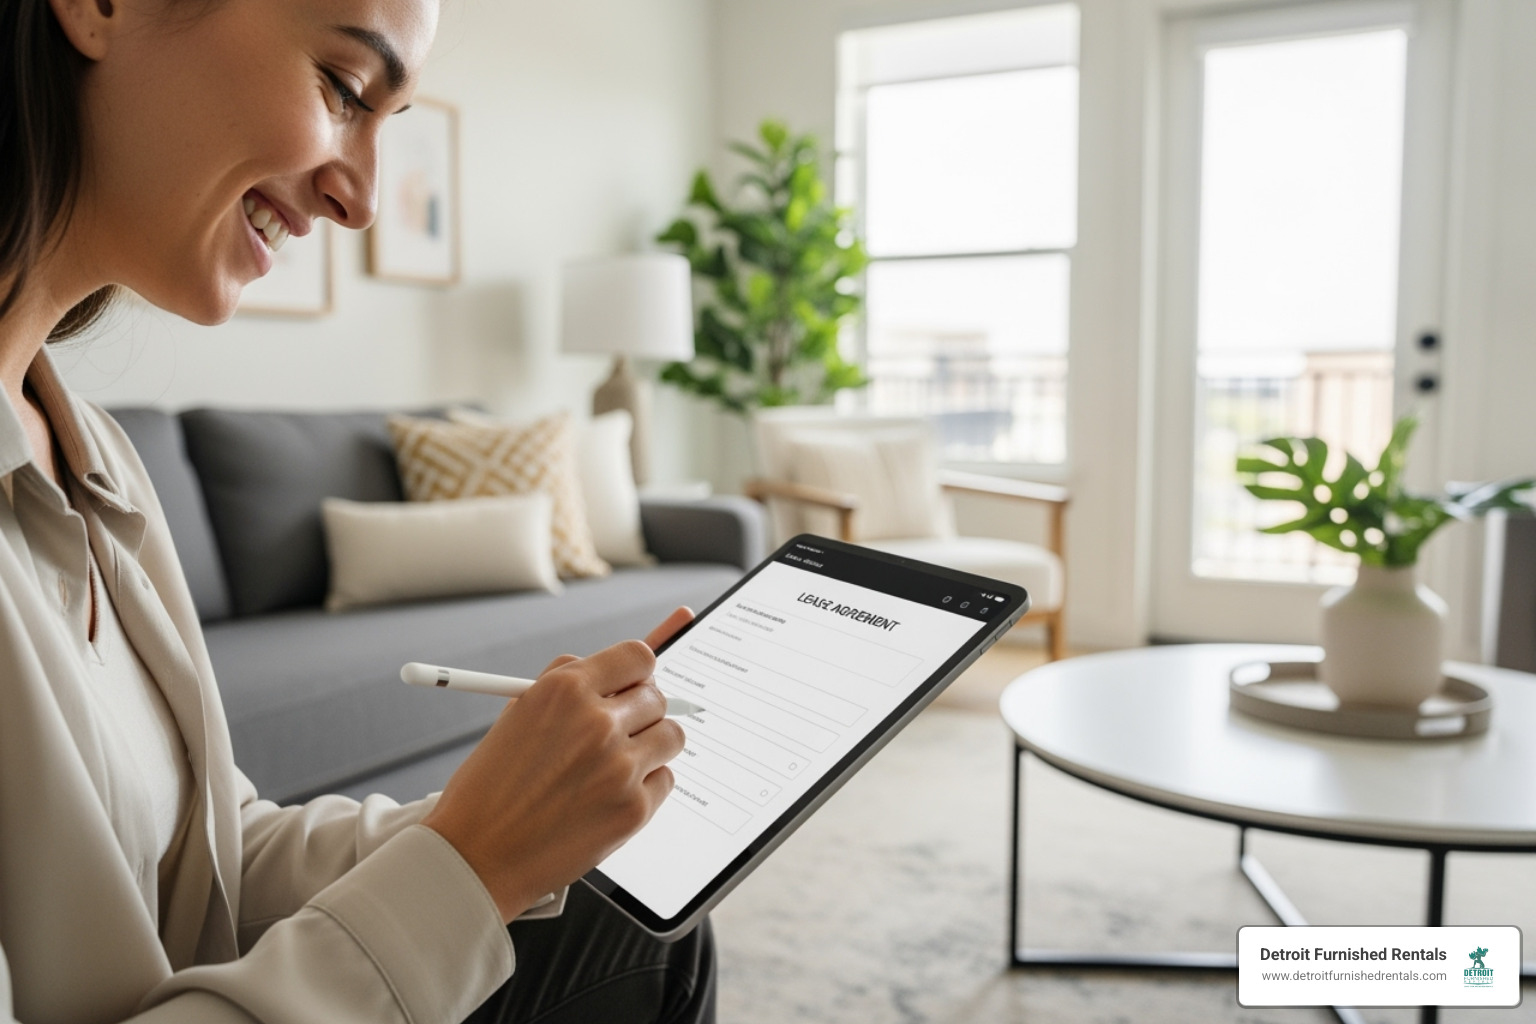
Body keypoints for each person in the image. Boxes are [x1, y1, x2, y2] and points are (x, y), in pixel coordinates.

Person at [0, 0, 717, 1021]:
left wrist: (507, 825)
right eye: (342, 90)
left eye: (391, 120)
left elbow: (217, 863)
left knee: (628, 915)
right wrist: (465, 869)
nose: (363, 198)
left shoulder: (94, 457)